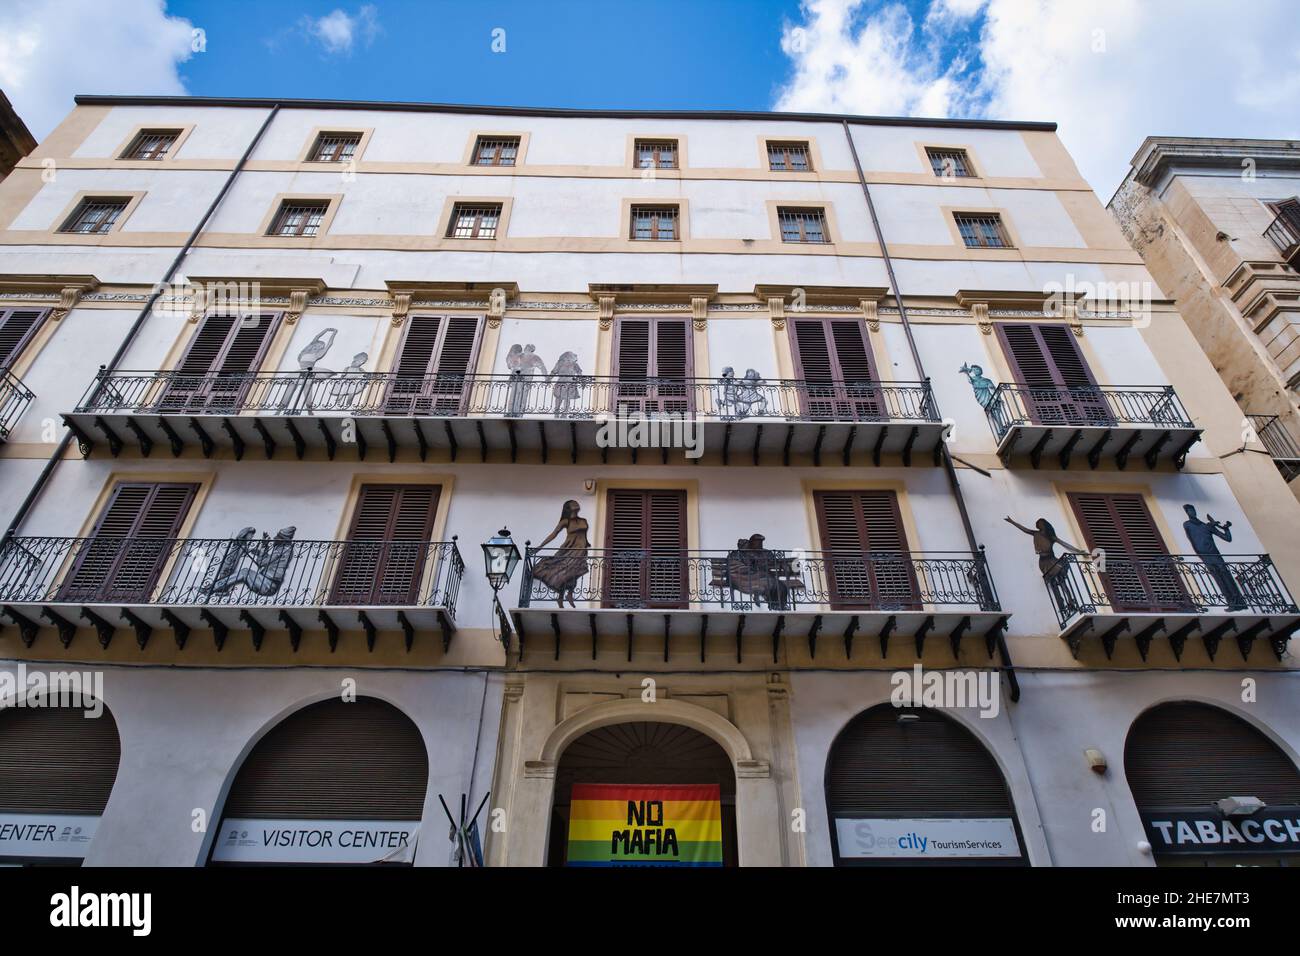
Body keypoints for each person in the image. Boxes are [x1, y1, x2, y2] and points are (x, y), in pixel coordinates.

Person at [1005, 515, 1090, 616]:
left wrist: (1078, 551)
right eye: (1037, 523)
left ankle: (1071, 601)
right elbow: (1024, 529)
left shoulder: (1051, 537)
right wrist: (1012, 522)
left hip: (1051, 560)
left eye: (1039, 523)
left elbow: (1065, 544)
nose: (1037, 524)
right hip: (1043, 561)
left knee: (1062, 582)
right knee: (1053, 583)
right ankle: (1062, 605)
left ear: (1044, 525)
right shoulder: (1035, 533)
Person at [1182, 504, 1245, 610]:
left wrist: (1226, 529)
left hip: (1215, 555)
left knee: (1227, 577)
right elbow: (1191, 539)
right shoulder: (1187, 524)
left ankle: (1238, 603)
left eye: (1193, 510)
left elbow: (1227, 538)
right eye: (1189, 511)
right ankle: (1231, 603)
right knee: (1218, 579)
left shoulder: (1207, 526)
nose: (1192, 512)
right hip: (1205, 556)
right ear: (1187, 513)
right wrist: (1199, 554)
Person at [531, 500, 590, 608]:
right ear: (568, 508)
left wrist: (587, 543)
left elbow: (584, 535)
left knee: (575, 572)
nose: (576, 504)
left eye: (576, 503)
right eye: (573, 503)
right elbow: (553, 535)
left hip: (581, 550)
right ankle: (562, 596)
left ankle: (569, 595)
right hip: (569, 549)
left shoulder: (584, 520)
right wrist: (539, 547)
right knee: (566, 572)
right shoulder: (565, 521)